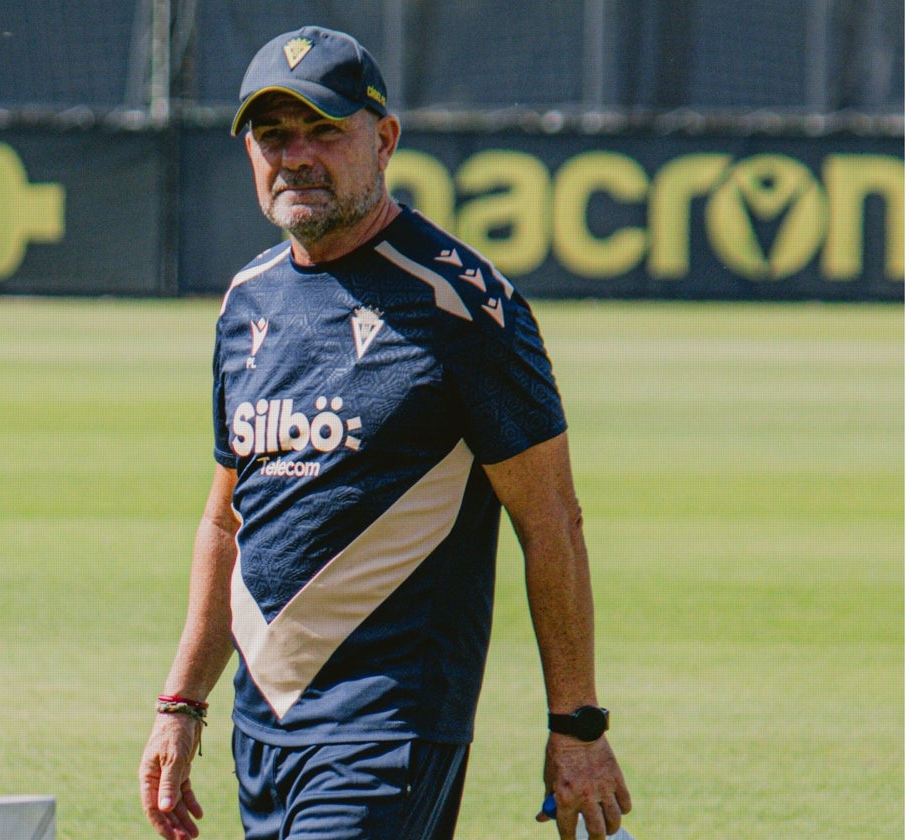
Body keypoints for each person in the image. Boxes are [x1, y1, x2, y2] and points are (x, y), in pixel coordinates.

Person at [139, 24, 631, 840]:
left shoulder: (465, 306)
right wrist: (181, 703)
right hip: (261, 728)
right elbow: (226, 520)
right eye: (272, 135)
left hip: (387, 726)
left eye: (323, 130)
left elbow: (552, 521)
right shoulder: (246, 302)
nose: (295, 156)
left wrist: (576, 723)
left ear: (385, 139)